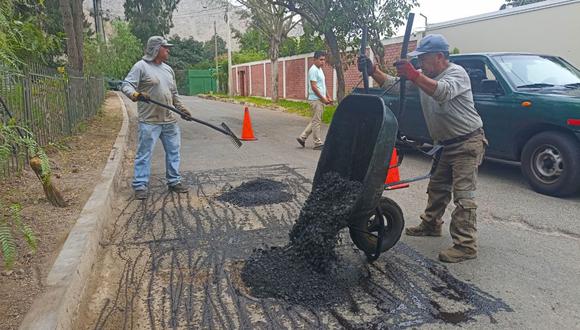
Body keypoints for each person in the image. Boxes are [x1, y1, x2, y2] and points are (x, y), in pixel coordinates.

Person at [359, 34, 487, 263]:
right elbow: (393, 84)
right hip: (445, 144)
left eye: (423, 58)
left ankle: (466, 245)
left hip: (467, 141)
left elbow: (442, 92)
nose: (420, 63)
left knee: (463, 195)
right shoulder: (424, 77)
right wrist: (372, 71)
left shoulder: (456, 74)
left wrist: (414, 75)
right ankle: (431, 225)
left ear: (439, 57)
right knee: (437, 187)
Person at [122, 36, 192, 200]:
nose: (168, 50)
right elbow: (126, 85)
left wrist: (182, 109)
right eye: (165, 47)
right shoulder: (141, 67)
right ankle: (140, 185)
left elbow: (174, 94)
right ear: (155, 49)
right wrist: (136, 95)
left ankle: (174, 181)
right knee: (144, 153)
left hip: (169, 120)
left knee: (174, 152)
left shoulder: (168, 69)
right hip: (150, 120)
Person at [297, 51, 333, 150]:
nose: (323, 62)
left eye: (324, 60)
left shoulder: (320, 70)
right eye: (321, 60)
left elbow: (323, 86)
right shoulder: (313, 70)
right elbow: (314, 87)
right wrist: (323, 98)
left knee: (315, 120)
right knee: (317, 122)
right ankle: (317, 143)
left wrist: (328, 97)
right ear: (315, 60)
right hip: (315, 99)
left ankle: (302, 137)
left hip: (320, 98)